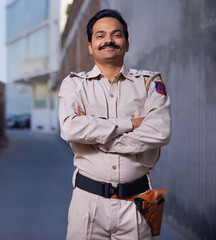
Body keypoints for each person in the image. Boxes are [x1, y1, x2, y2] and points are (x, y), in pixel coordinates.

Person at [58, 9, 171, 240]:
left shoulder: (150, 83)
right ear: (90, 46)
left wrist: (99, 137)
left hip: (137, 202)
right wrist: (130, 123)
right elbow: (70, 129)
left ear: (127, 44)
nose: (108, 40)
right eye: (100, 36)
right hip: (87, 203)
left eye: (116, 35)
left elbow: (160, 132)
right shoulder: (74, 85)